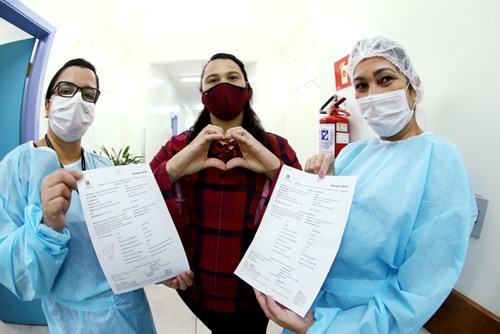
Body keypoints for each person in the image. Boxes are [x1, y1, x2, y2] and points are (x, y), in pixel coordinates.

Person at [254, 36, 478, 333]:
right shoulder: (352, 154)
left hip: (364, 323)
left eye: (385, 80)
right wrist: (316, 189)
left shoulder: (438, 158)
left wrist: (325, 328)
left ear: (413, 87)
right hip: (308, 309)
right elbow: (324, 233)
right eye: (361, 85)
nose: (373, 94)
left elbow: (420, 288)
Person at [0, 58, 157, 333]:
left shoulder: (104, 168)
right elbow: (15, 272)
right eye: (66, 90)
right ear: (48, 105)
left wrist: (159, 266)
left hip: (131, 311)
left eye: (87, 95)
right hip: (75, 321)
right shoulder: (16, 168)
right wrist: (48, 225)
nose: (77, 101)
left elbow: (128, 241)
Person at [150, 53, 302, 333]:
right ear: (203, 95)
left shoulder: (276, 147)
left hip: (255, 294)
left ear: (248, 91)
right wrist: (173, 169)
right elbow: (139, 204)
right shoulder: (177, 147)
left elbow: (306, 216)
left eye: (233, 78)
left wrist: (275, 170)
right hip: (195, 287)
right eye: (213, 80)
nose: (224, 86)